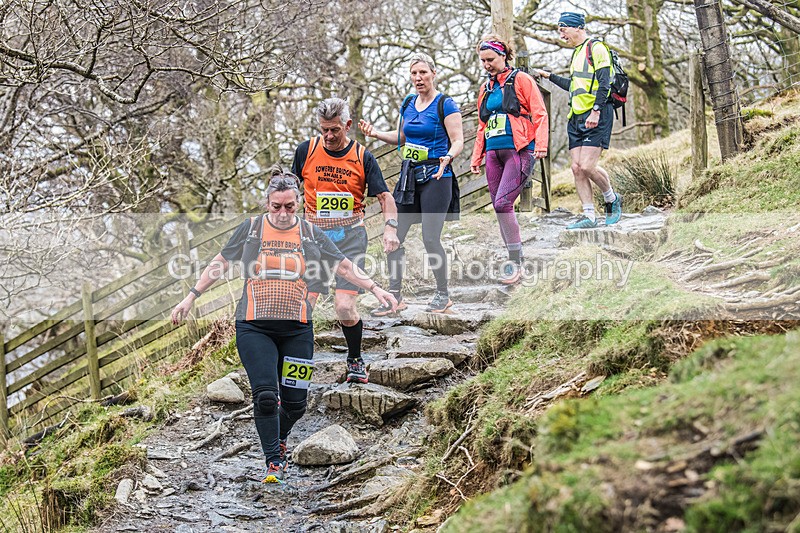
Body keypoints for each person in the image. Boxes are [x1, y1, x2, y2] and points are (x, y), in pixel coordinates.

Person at [171, 168, 397, 484]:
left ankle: (278, 436)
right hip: (254, 328)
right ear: (267, 204)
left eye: (289, 206)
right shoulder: (251, 229)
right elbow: (220, 263)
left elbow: (345, 266)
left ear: (298, 204)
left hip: (297, 330)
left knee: (296, 404)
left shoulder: (310, 233)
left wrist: (375, 288)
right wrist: (191, 297)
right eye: (276, 206)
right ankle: (274, 462)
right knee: (266, 396)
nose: (282, 213)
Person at [292, 98, 400, 384]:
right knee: (303, 306)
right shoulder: (306, 151)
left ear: (348, 125)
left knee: (343, 306)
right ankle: (297, 366)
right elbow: (289, 190)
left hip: (350, 237)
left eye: (335, 130)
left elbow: (385, 197)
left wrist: (390, 228)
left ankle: (355, 359)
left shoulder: (363, 156)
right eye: (324, 130)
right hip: (313, 239)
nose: (328, 136)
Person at [358, 52, 465, 316]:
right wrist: (376, 133)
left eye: (423, 73)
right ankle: (395, 297)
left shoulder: (445, 104)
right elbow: (403, 137)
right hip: (410, 177)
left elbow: (458, 140)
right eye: (414, 73)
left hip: (437, 176)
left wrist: (448, 157)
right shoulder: (408, 103)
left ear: (433, 74)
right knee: (393, 235)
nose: (418, 78)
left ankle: (443, 295)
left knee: (430, 238)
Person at [470, 34, 549, 285]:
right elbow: (482, 125)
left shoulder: (521, 79)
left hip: (519, 150)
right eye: (483, 61)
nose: (487, 65)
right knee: (498, 207)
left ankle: (517, 264)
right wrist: (477, 155)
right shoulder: (485, 88)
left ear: (503, 56)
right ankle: (513, 262)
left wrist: (542, 145)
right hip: (493, 153)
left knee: (504, 203)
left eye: (490, 59)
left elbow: (540, 113)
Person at [533, 12, 623, 230]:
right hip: (576, 116)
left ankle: (611, 198)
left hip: (596, 114)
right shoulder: (577, 53)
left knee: (587, 166)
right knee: (576, 168)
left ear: (577, 28)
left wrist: (596, 111)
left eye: (563, 30)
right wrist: (549, 76)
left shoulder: (597, 48)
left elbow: (604, 83)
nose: (561, 35)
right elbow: (574, 86)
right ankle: (589, 216)